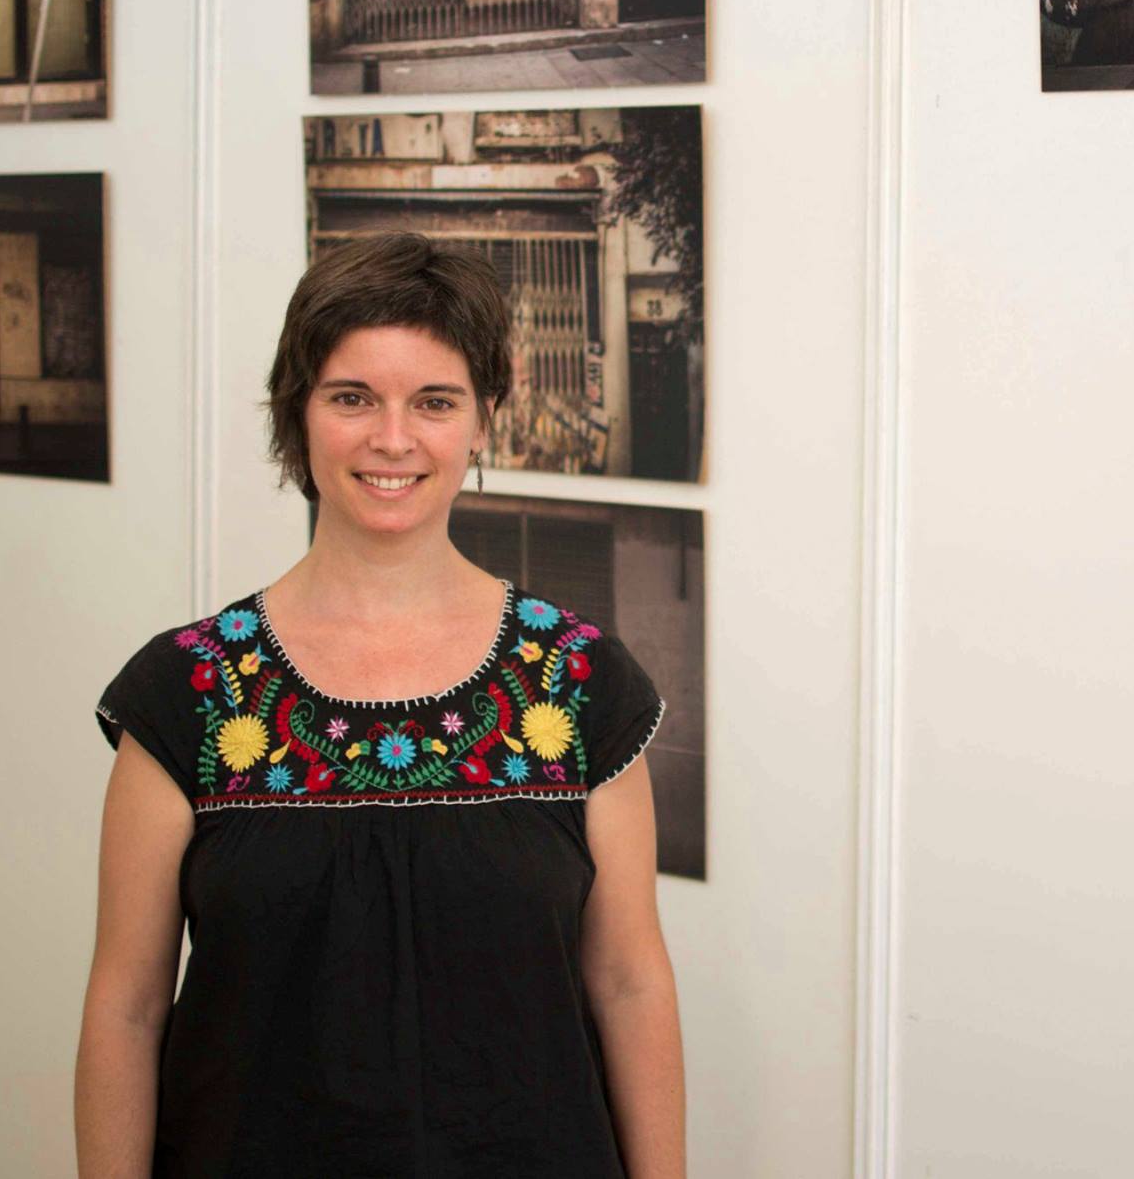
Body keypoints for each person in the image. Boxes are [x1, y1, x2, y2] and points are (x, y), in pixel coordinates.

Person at [74, 234, 685, 1177]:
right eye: (352, 397)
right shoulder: (189, 691)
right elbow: (127, 1007)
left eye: (434, 401)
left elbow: (630, 983)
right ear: (298, 411)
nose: (392, 439)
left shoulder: (578, 681)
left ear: (483, 420)